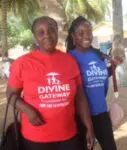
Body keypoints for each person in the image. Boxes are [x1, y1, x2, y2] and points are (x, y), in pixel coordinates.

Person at [6, 16, 94, 150]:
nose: (47, 35)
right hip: (35, 138)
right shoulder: (22, 63)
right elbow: (11, 94)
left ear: (57, 32)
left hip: (69, 136)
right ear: (35, 37)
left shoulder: (69, 61)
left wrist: (89, 126)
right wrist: (26, 109)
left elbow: (80, 97)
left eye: (51, 30)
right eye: (41, 32)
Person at [66, 16, 120, 150]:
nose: (86, 36)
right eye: (81, 33)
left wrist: (114, 67)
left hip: (101, 113)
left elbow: (100, 75)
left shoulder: (98, 55)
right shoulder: (70, 58)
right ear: (73, 36)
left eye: (89, 32)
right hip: (80, 117)